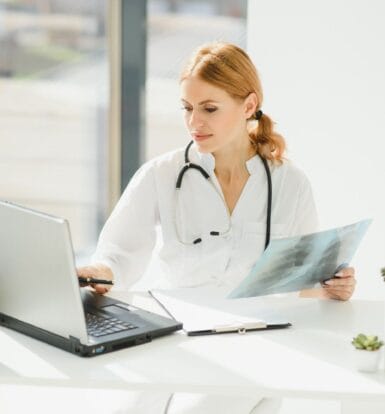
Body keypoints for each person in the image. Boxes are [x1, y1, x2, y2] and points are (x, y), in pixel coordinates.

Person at [77, 42, 356, 413]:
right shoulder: (162, 174)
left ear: (249, 106)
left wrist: (331, 288)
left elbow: (302, 285)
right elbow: (117, 254)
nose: (195, 122)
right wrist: (97, 271)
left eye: (209, 109)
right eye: (187, 109)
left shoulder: (290, 183)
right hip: (173, 333)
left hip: (256, 342)